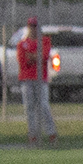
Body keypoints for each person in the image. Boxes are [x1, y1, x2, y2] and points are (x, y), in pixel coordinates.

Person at [16, 16, 57, 144]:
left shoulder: (45, 41)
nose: (33, 29)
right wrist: (35, 57)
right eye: (31, 26)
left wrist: (33, 56)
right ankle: (32, 135)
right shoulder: (22, 43)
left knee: (43, 106)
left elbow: (44, 57)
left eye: (35, 26)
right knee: (29, 107)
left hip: (41, 79)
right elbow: (23, 62)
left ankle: (51, 133)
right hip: (27, 78)